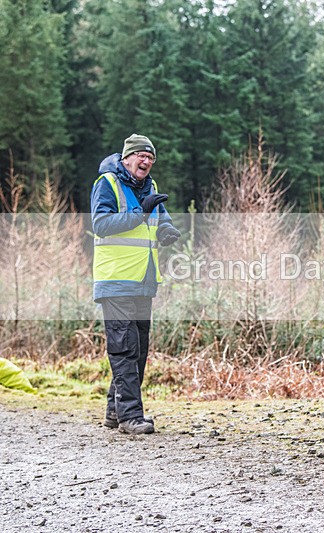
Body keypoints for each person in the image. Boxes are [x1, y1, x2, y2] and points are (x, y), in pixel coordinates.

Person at [91, 134, 181, 435]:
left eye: (151, 157)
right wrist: (139, 212)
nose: (146, 161)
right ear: (127, 158)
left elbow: (161, 219)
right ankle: (130, 416)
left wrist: (166, 231)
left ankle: (115, 411)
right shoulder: (107, 183)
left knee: (137, 349)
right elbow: (101, 224)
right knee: (124, 348)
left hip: (144, 280)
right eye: (141, 155)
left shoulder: (150, 187)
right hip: (116, 279)